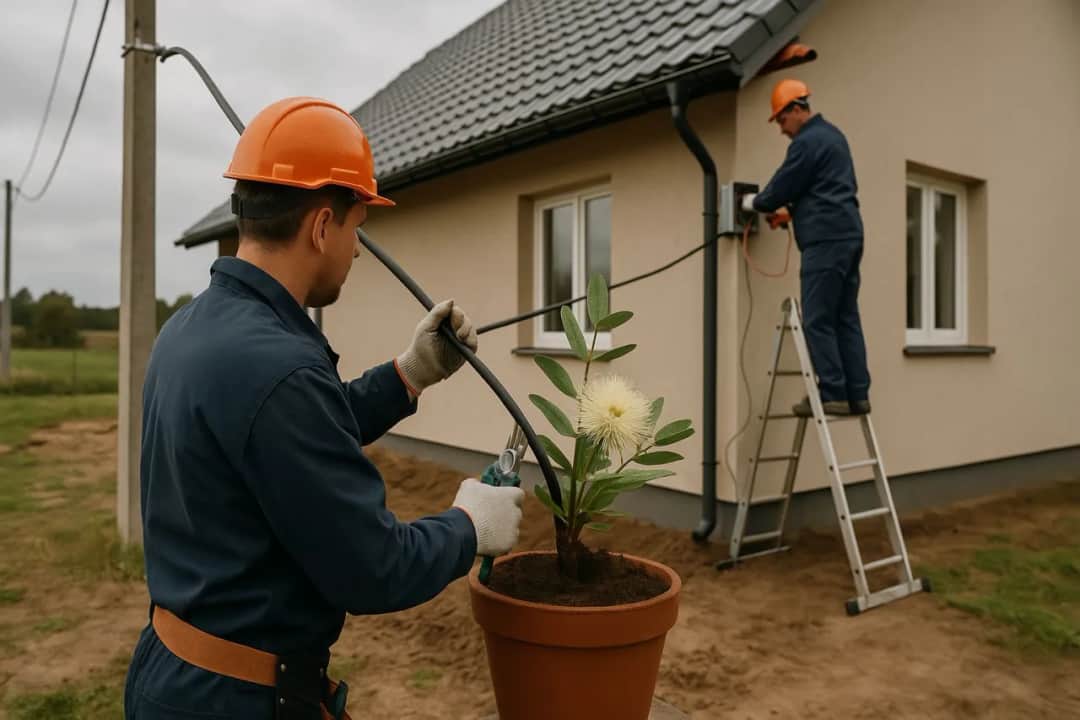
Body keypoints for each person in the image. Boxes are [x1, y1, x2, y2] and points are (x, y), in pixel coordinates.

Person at [123, 97, 525, 719]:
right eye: (355, 227)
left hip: (175, 670)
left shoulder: (193, 328)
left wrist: (409, 375)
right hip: (237, 701)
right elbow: (373, 568)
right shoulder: (279, 368)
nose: (358, 251)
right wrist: (469, 525)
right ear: (319, 226)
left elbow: (289, 435)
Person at [742, 79, 871, 417]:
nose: (782, 130)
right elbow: (825, 190)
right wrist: (792, 214)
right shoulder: (834, 136)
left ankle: (832, 395)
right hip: (848, 235)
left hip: (825, 241)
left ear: (796, 109)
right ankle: (857, 394)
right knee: (845, 316)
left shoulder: (807, 142)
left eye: (782, 120)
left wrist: (755, 202)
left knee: (816, 319)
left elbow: (784, 184)